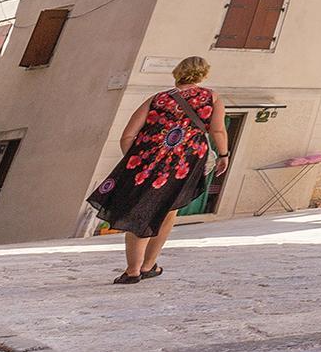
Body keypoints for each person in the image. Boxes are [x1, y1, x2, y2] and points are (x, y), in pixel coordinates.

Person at [87, 56, 227, 284]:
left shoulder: (158, 99)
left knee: (141, 209)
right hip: (184, 163)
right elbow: (218, 130)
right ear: (203, 75)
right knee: (169, 211)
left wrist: (137, 161)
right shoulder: (212, 97)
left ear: (177, 73)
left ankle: (133, 270)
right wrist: (223, 155)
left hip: (147, 163)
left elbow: (128, 135)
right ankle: (148, 265)